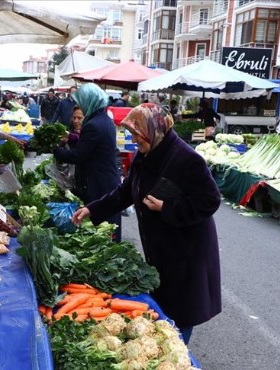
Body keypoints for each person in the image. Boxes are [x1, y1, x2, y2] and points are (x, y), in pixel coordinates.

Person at [72, 103, 221, 344]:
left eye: (136, 134)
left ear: (154, 129)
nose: (133, 140)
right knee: (164, 307)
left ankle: (177, 355)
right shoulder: (147, 153)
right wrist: (92, 208)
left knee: (180, 311)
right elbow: (125, 192)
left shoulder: (187, 159)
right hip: (162, 248)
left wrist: (167, 208)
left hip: (186, 250)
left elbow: (210, 200)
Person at [54, 83, 122, 242]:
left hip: (100, 184)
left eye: (82, 101)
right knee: (108, 229)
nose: (81, 106)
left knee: (102, 232)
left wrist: (56, 150)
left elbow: (78, 155)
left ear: (89, 101)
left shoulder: (93, 124)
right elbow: (90, 146)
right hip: (107, 181)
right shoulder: (104, 120)